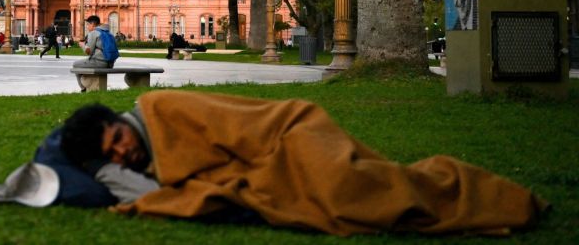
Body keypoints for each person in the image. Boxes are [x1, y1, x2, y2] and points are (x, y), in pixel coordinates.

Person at [58, 91, 547, 236]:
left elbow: (241, 129)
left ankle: (468, 192)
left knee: (348, 184)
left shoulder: (161, 108)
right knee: (340, 198)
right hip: (267, 164)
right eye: (112, 156)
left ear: (122, 122)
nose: (122, 152)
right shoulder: (135, 158)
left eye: (117, 139)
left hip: (292, 132)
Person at [73, 15, 110, 90]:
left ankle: (83, 88)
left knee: (75, 65)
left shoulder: (93, 33)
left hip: (100, 62)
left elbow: (89, 52)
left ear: (92, 24)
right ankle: (87, 84)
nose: (87, 27)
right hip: (110, 63)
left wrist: (82, 45)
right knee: (83, 64)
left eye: (88, 24)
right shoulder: (107, 32)